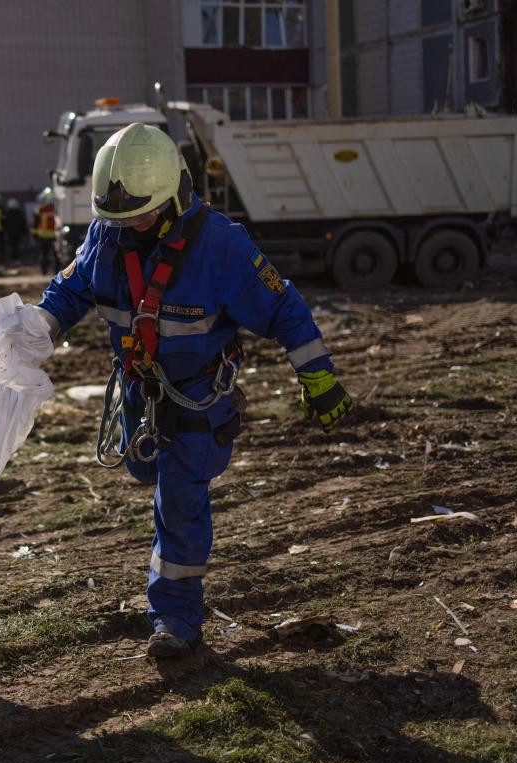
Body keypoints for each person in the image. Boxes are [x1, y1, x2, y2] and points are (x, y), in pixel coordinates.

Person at [35, 123, 352, 658]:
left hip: (197, 400)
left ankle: (176, 621)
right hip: (140, 395)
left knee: (179, 503)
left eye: (139, 214)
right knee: (145, 472)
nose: (127, 225)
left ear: (173, 196)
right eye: (116, 217)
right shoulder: (107, 234)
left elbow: (285, 309)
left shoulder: (221, 247)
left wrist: (317, 376)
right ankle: (173, 598)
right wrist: (37, 327)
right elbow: (72, 289)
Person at [32, 187, 59, 275]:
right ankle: (57, 271)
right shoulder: (57, 209)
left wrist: (34, 234)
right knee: (56, 255)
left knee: (44, 255)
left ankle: (44, 272)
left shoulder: (40, 209)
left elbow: (35, 223)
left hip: (43, 236)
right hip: (55, 236)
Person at [3, 197, 28, 266]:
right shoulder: (19, 214)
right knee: (16, 247)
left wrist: (5, 232)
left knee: (12, 247)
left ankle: (13, 260)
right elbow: (23, 223)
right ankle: (17, 260)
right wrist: (25, 232)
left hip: (11, 233)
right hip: (18, 233)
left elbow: (5, 224)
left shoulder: (7, 214)